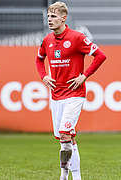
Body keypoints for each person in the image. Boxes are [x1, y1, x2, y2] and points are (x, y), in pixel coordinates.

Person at [35, 2, 106, 180]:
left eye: (53, 16)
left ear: (63, 18)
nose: (49, 19)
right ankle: (65, 174)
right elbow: (38, 60)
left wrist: (85, 75)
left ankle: (74, 176)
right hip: (56, 95)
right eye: (48, 16)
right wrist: (44, 76)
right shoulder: (47, 40)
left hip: (75, 94)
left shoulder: (77, 38)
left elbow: (100, 55)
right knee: (66, 140)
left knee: (66, 134)